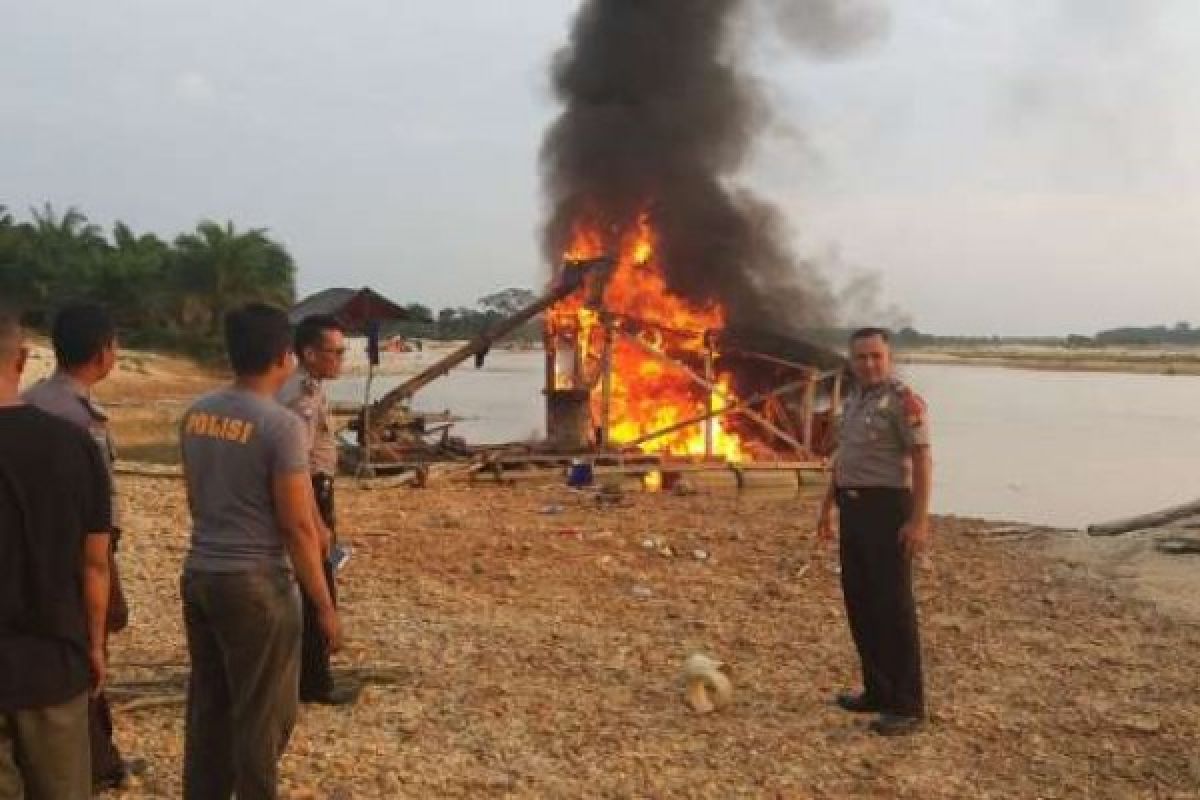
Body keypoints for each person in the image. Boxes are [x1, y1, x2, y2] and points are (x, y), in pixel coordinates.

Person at [180, 303, 342, 799]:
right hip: (256, 584)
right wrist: (324, 606)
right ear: (284, 356)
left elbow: (194, 497)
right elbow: (296, 525)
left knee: (209, 706)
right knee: (263, 715)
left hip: (201, 573)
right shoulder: (280, 425)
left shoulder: (197, 414)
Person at [21, 303, 138, 790]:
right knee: (91, 653)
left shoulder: (30, 400)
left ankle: (93, 756)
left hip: (29, 550)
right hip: (78, 553)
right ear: (103, 352)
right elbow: (98, 512)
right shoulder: (81, 418)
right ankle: (90, 762)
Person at [0, 307, 113, 800]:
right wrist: (94, 644)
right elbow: (95, 564)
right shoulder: (74, 445)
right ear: (22, 359)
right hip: (51, 660)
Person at [816, 327, 932, 737]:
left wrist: (919, 520)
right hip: (854, 508)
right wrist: (827, 509)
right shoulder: (853, 401)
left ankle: (908, 704)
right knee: (860, 602)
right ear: (851, 361)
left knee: (893, 607)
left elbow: (922, 459)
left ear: (889, 357)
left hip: (888, 510)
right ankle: (877, 690)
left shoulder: (904, 402)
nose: (868, 364)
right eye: (861, 357)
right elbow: (843, 458)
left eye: (875, 356)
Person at [277, 314, 361, 706]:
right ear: (309, 353)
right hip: (309, 492)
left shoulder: (313, 388)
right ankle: (315, 679)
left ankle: (305, 671)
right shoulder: (300, 397)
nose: (341, 358)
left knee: (313, 578)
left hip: (316, 490)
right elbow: (299, 465)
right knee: (316, 583)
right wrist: (316, 521)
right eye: (335, 351)